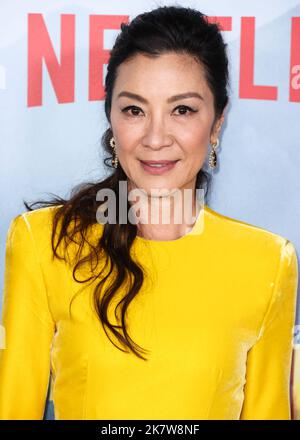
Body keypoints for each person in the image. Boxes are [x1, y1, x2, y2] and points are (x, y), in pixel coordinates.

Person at [0, 5, 298, 420]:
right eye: (134, 110)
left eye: (183, 110)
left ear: (216, 124)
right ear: (111, 119)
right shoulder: (43, 242)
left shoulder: (268, 262)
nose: (156, 138)